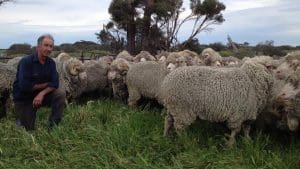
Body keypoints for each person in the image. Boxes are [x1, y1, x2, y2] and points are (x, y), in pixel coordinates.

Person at [13, 34, 66, 131]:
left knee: (60, 93)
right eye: (46, 45)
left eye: (51, 46)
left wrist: (41, 93)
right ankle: (21, 120)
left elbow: (55, 83)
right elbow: (24, 86)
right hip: (25, 98)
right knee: (28, 131)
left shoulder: (51, 63)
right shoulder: (26, 62)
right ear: (38, 47)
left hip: (41, 95)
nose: (49, 49)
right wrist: (46, 84)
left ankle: (53, 126)